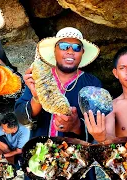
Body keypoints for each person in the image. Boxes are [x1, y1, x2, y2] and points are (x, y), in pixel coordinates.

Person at [14, 27, 101, 179]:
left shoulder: (92, 84)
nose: (70, 51)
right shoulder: (38, 77)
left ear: (82, 53)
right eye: (63, 46)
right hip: (39, 163)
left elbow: (100, 130)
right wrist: (37, 98)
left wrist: (76, 127)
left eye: (76, 47)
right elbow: (21, 117)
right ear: (55, 51)